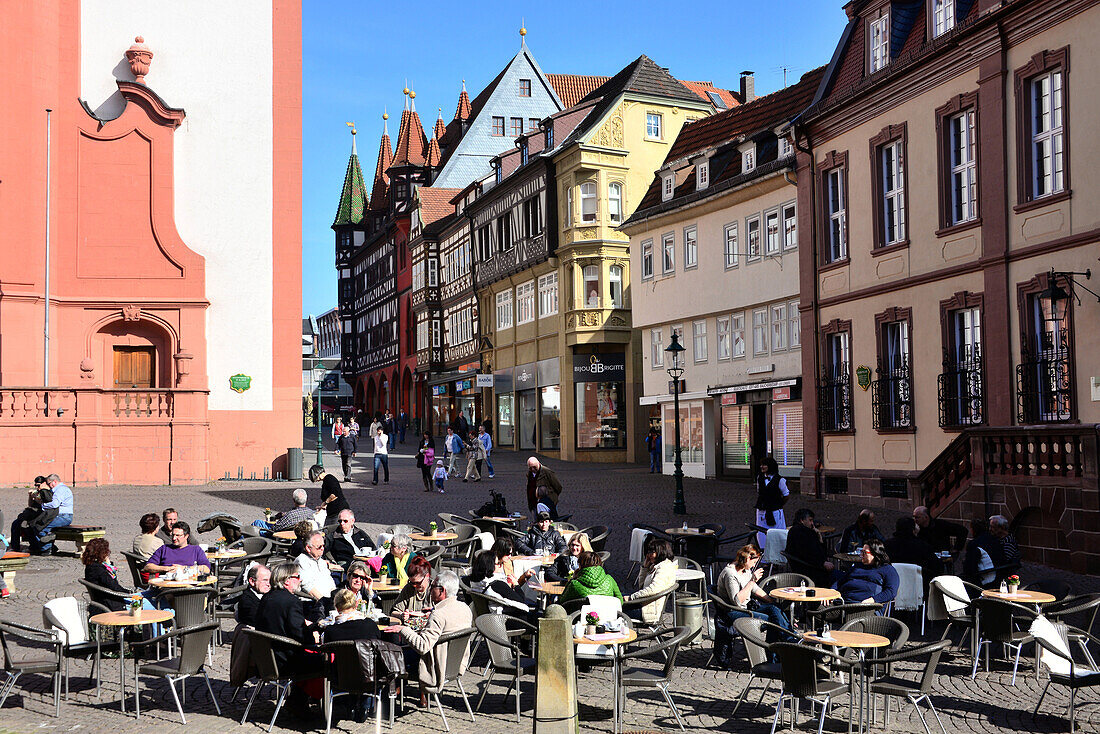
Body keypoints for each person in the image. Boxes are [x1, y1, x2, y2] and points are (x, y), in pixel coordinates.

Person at [393, 571, 472, 709]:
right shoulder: (465, 608)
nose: (430, 589)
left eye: (433, 586)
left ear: (442, 591)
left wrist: (403, 629)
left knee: (392, 655)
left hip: (435, 667)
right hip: (454, 664)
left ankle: (388, 701)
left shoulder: (439, 615)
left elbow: (422, 646)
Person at [713, 545, 793, 667]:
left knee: (775, 609)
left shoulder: (745, 569)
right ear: (747, 559)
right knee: (774, 620)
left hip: (746, 609)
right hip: (732, 612)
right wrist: (752, 581)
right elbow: (737, 601)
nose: (754, 565)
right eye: (754, 562)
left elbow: (755, 589)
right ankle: (778, 653)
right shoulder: (730, 574)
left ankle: (788, 640)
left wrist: (771, 601)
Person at [254, 562, 321, 673]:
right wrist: (314, 636)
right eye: (297, 576)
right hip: (286, 660)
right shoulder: (291, 601)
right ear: (286, 580)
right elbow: (300, 635)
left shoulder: (266, 597)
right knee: (328, 660)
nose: (300, 580)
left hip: (266, 659)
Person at [624, 538, 678, 625]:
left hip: (648, 612)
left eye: (651, 553)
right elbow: (641, 586)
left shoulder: (664, 568)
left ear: (661, 552)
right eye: (648, 553)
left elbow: (653, 589)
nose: (648, 556)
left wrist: (631, 597)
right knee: (616, 597)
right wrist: (644, 568)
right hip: (645, 605)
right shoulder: (657, 565)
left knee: (613, 606)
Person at [884, 515, 940, 593]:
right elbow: (935, 566)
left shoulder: (887, 545)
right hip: (918, 585)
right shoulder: (922, 546)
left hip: (893, 583)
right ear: (913, 529)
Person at [467, 550, 533, 615]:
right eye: (498, 563)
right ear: (490, 566)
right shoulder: (497, 584)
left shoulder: (475, 580)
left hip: (486, 617)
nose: (500, 566)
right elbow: (521, 600)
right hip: (506, 619)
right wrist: (516, 584)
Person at [82, 538, 139, 612]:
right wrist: (131, 593)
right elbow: (115, 587)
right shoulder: (100, 570)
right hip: (112, 604)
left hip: (104, 601)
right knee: (147, 603)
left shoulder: (90, 566)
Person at [835, 540, 899, 605]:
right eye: (861, 552)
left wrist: (873, 600)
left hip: (866, 607)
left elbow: (891, 592)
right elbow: (840, 582)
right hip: (843, 602)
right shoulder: (857, 566)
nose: (861, 555)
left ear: (875, 554)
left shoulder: (887, 570)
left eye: (864, 552)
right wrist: (831, 593)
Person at [784, 508, 835, 588]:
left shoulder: (795, 531)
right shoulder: (804, 533)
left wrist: (819, 538)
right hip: (812, 570)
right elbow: (809, 553)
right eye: (810, 520)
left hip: (805, 567)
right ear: (802, 520)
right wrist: (822, 563)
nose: (812, 523)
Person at [144, 521, 210, 575]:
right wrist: (166, 568)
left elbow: (206, 569)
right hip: (167, 587)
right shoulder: (164, 549)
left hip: (189, 586)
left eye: (178, 535)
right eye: (173, 535)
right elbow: (148, 566)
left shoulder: (196, 550)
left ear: (186, 536)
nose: (174, 538)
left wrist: (184, 568)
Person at [558, 551, 623, 605]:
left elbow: (562, 601)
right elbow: (620, 601)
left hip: (580, 618)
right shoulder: (610, 580)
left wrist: (573, 579)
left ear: (580, 565)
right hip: (608, 618)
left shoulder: (574, 584)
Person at [31, 474, 74, 555]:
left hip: (63, 516)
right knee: (37, 524)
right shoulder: (57, 490)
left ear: (54, 482)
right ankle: (49, 546)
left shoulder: (61, 490)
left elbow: (55, 504)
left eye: (49, 483)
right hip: (59, 515)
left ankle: (47, 548)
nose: (48, 486)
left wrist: (43, 505)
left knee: (41, 526)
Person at [754, 457, 789, 549]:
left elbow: (786, 495)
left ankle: (777, 557)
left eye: (764, 465)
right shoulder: (759, 478)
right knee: (762, 535)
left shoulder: (780, 480)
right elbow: (759, 492)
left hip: (775, 511)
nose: (762, 467)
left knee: (777, 534)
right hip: (762, 510)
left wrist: (778, 504)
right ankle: (764, 558)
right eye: (761, 464)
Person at [296, 530, 337, 606]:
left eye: (323, 545)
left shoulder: (321, 561)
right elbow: (308, 587)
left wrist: (337, 598)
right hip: (313, 603)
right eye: (319, 547)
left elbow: (330, 582)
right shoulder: (301, 561)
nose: (323, 549)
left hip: (328, 600)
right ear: (308, 548)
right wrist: (325, 602)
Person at [963, 517, 999, 587]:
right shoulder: (995, 539)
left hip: (985, 580)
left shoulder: (974, 544)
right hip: (999, 575)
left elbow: (969, 568)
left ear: (973, 530)